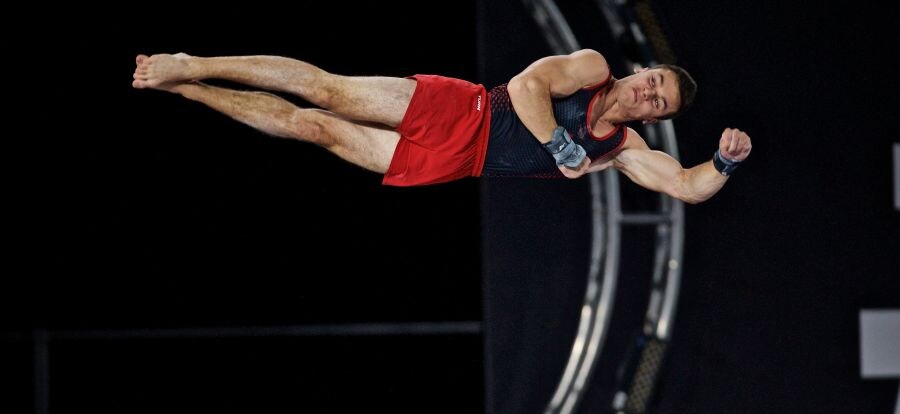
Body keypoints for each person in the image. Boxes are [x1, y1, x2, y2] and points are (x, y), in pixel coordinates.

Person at [131, 50, 751, 202]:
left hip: (460, 161)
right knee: (329, 92)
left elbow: (685, 186)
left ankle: (190, 88)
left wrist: (722, 161)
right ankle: (198, 61)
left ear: (656, 118)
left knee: (313, 129)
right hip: (467, 109)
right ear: (642, 71)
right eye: (654, 80)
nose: (648, 93)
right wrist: (560, 144)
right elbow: (530, 88)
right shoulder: (590, 68)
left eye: (658, 103)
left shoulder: (620, 148)